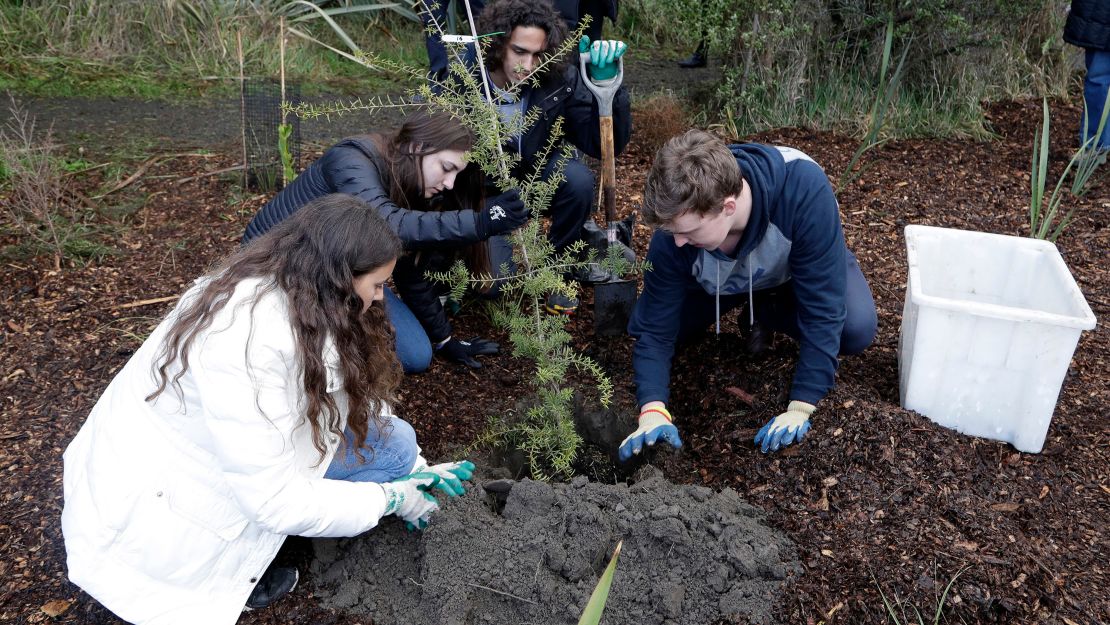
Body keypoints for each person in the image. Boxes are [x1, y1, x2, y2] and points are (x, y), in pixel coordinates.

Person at [62, 194, 476, 623]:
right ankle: (238, 572)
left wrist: (415, 471)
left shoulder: (305, 297)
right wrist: (388, 499)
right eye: (375, 284)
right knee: (299, 503)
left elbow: (342, 395)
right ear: (339, 276)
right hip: (168, 514)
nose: (379, 296)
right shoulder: (245, 341)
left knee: (398, 446)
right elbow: (272, 499)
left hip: (236, 460)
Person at [618, 129, 877, 460]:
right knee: (668, 333)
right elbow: (654, 330)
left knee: (853, 328)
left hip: (789, 278)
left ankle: (766, 311)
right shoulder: (675, 235)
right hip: (715, 286)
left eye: (687, 231)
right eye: (672, 232)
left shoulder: (803, 191)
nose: (678, 241)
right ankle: (748, 305)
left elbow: (823, 309)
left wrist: (801, 405)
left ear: (728, 206)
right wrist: (652, 410)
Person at [245, 111, 529, 372]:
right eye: (446, 167)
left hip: (341, 271)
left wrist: (444, 338)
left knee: (417, 354)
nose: (450, 183)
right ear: (419, 147)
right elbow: (387, 222)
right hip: (278, 268)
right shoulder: (352, 159)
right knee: (318, 350)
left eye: (457, 173)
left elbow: (409, 266)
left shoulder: (408, 184)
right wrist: (480, 223)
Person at [470, 0, 632, 314]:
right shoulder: (463, 78)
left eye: (538, 54)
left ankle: (556, 269)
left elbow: (600, 145)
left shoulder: (557, 77)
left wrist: (609, 90)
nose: (528, 66)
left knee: (578, 180)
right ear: (498, 44)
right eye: (519, 51)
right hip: (484, 193)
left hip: (535, 178)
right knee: (495, 284)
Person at [1064, 0, 1110, 149]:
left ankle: (1096, 145)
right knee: (1099, 79)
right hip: (1101, 14)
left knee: (1099, 79)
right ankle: (1095, 146)